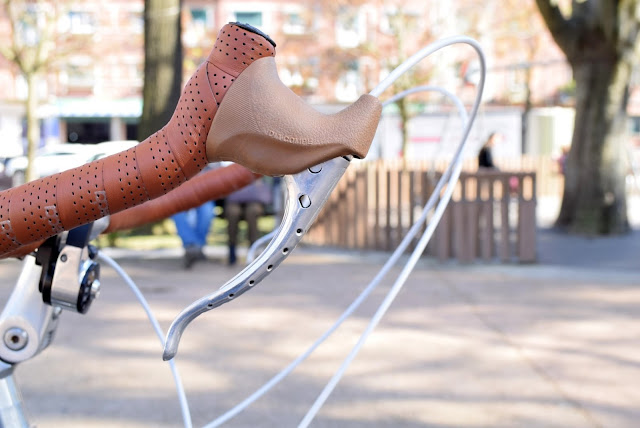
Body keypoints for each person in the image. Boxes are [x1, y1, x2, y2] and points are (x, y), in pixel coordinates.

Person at [172, 164, 218, 268]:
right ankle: (193, 246)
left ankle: (193, 248)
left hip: (203, 197)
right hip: (181, 198)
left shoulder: (210, 166)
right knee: (177, 213)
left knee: (207, 211)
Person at [225, 177, 273, 265]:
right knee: (233, 213)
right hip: (234, 198)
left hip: (254, 199)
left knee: (252, 212)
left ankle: (253, 248)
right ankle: (232, 249)